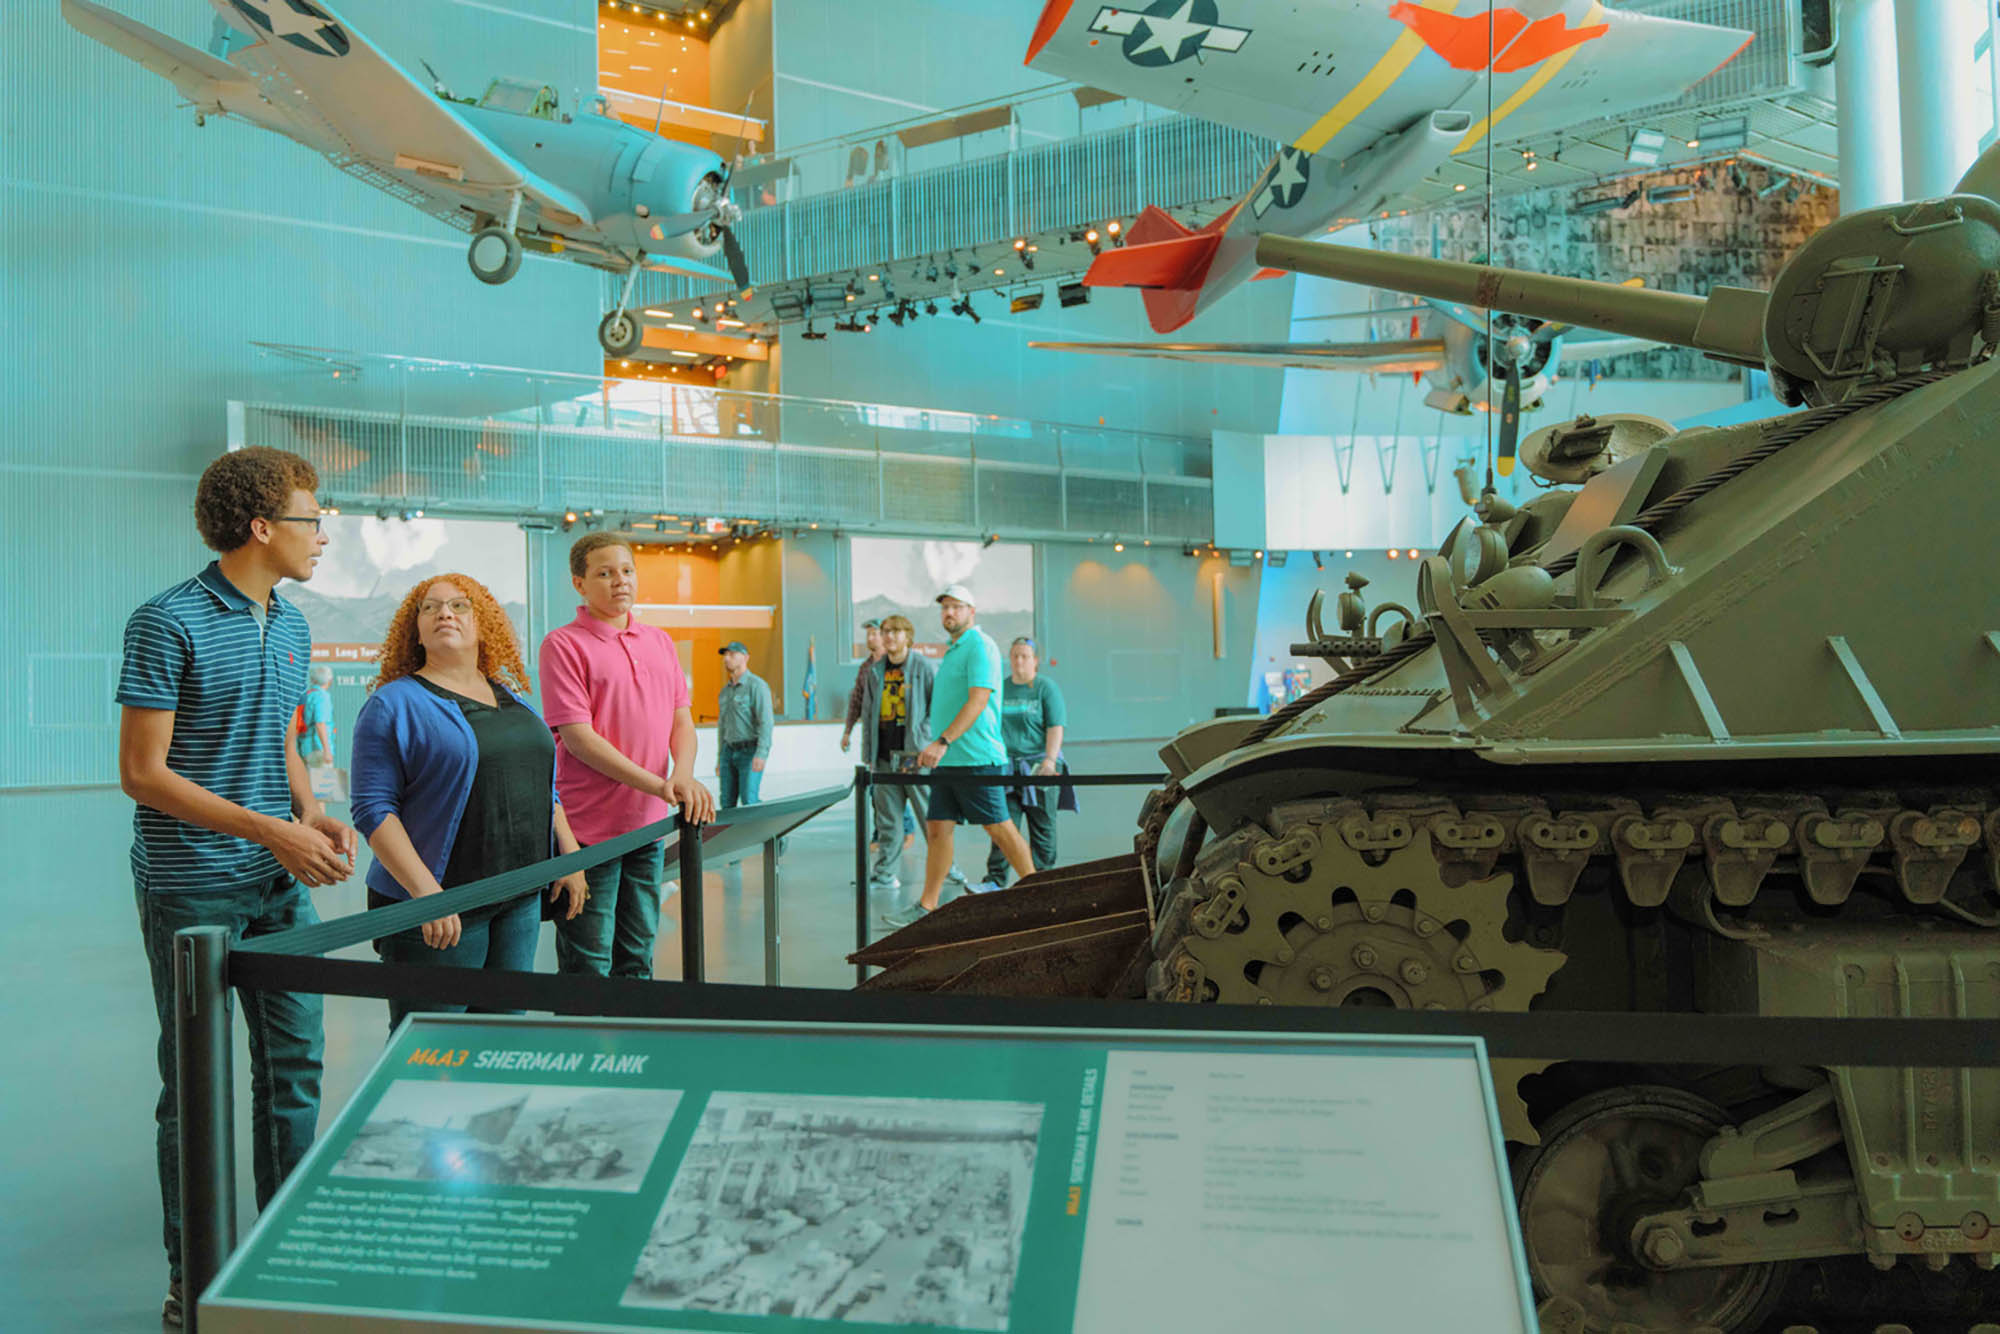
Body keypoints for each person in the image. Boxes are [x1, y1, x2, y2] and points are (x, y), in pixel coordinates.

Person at [117, 446, 357, 1328]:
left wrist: (311, 810)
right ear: (263, 527)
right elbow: (143, 774)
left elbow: (281, 741)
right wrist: (271, 830)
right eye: (311, 517)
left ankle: (285, 1257)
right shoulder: (167, 622)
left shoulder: (290, 626)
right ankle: (197, 1277)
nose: (321, 534)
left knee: (294, 1070)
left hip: (276, 881)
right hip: (191, 891)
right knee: (193, 1087)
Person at [349, 574, 589, 1031]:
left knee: (499, 1039)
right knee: (429, 1051)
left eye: (460, 606)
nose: (445, 613)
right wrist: (427, 897)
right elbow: (373, 810)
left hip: (517, 897)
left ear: (484, 625)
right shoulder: (392, 704)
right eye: (430, 607)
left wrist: (570, 857)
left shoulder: (513, 699)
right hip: (442, 907)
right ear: (414, 631)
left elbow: (544, 787)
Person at [539, 535, 713, 979]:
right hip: (588, 834)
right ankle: (586, 1047)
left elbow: (682, 722)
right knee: (588, 965)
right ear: (580, 583)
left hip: (648, 830)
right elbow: (578, 738)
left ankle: (634, 1045)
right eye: (604, 572)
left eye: (627, 570)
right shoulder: (563, 645)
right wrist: (660, 785)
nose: (620, 581)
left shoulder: (659, 641)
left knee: (637, 958)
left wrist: (684, 776)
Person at [879, 585, 1034, 927]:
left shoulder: (980, 646)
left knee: (999, 828)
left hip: (977, 758)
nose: (949, 613)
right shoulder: (953, 651)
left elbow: (978, 701)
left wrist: (943, 741)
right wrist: (937, 746)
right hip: (949, 761)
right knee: (937, 829)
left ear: (971, 612)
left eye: (956, 607)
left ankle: (1037, 895)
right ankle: (927, 906)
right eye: (945, 607)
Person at [981, 636, 1067, 889]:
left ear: (1035, 661)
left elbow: (1055, 726)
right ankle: (995, 880)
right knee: (1003, 824)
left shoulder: (1045, 688)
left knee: (1042, 825)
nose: (1019, 660)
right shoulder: (1000, 688)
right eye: (1015, 655)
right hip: (1006, 768)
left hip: (1039, 767)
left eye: (1025, 656)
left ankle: (1042, 879)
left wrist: (1049, 761)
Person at [716, 640, 774, 808]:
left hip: (749, 752)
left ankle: (770, 833)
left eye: (732, 654)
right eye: (725, 655)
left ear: (746, 658)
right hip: (728, 753)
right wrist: (720, 758)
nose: (727, 658)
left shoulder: (757, 686)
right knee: (726, 803)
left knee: (749, 801)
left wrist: (761, 754)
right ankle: (731, 835)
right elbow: (722, 726)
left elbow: (766, 722)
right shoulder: (724, 692)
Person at [297, 663, 335, 767]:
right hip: (318, 750)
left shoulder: (307, 695)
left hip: (305, 748)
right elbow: (320, 723)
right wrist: (326, 750)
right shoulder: (322, 697)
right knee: (324, 783)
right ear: (330, 680)